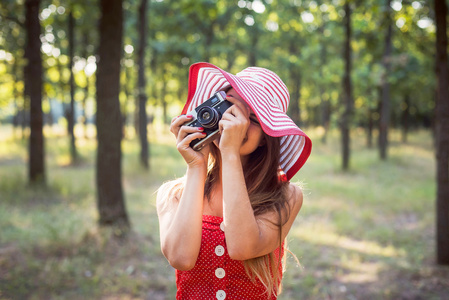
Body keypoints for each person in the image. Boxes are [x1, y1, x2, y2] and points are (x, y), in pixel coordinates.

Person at [156, 62, 312, 300]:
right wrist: (196, 166)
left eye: (250, 117)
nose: (233, 121)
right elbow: (181, 258)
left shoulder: (286, 196)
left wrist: (230, 154)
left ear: (264, 138)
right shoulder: (172, 193)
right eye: (229, 108)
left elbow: (242, 247)